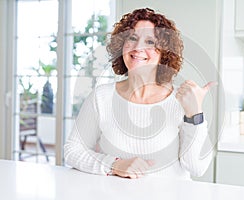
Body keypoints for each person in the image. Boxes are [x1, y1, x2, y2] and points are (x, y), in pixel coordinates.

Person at [64, 8, 216, 179]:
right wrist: (114, 164)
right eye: (133, 38)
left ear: (164, 53)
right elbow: (72, 150)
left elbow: (197, 168)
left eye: (150, 42)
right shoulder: (102, 97)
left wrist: (194, 114)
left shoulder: (181, 100)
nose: (138, 48)